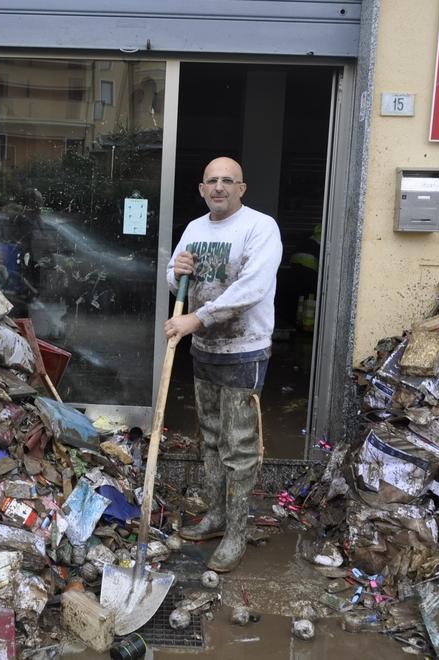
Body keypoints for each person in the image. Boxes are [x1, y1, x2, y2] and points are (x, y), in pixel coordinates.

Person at [164, 156, 282, 572]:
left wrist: (196, 319)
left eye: (227, 181)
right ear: (201, 189)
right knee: (211, 440)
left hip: (243, 350)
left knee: (239, 447)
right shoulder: (195, 229)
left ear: (241, 188)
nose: (219, 187)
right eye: (211, 180)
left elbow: (253, 287)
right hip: (205, 350)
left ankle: (236, 532)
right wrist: (174, 270)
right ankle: (215, 517)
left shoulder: (260, 227)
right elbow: (174, 276)